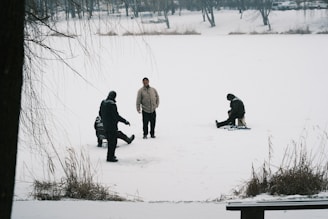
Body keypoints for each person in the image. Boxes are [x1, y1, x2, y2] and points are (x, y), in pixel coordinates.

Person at [100, 91, 132, 162]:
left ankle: (110, 156)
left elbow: (100, 113)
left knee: (110, 141)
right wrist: (125, 121)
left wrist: (104, 120)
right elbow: (116, 116)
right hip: (112, 127)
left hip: (105, 126)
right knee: (113, 142)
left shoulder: (103, 103)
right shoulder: (112, 104)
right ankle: (110, 157)